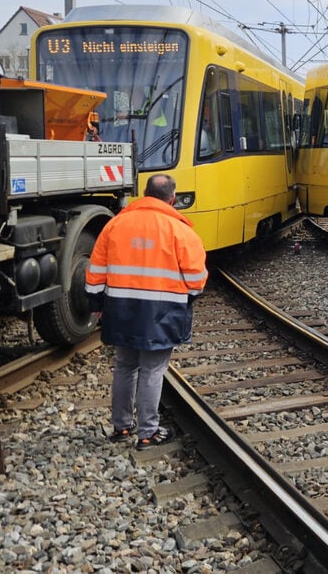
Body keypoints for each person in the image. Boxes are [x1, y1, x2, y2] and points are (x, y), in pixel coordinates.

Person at [85, 174, 208, 450]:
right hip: (160, 313)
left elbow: (94, 272)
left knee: (125, 365)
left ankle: (121, 426)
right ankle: (147, 432)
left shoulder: (115, 225)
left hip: (120, 308)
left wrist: (96, 306)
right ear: (172, 199)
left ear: (144, 193)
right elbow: (197, 279)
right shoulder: (180, 230)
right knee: (153, 369)